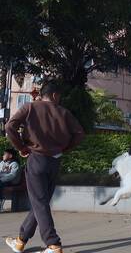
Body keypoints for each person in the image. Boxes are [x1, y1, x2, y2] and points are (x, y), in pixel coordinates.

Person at [5, 80, 85, 253]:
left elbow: (10, 126)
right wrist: (65, 148)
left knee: (39, 202)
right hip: (55, 160)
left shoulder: (30, 107)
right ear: (55, 95)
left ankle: (53, 243)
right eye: (60, 96)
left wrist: (22, 148)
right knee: (40, 202)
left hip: (37, 159)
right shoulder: (64, 112)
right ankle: (21, 240)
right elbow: (79, 134)